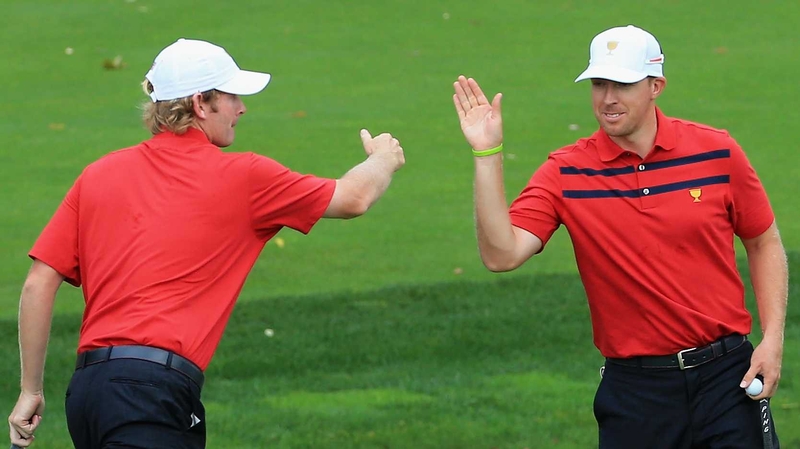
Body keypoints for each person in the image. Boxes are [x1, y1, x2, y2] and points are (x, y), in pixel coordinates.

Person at [8, 37, 405, 448]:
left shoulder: (98, 174)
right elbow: (354, 198)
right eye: (232, 97)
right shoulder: (245, 177)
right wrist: (383, 159)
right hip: (150, 396)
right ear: (201, 104)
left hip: (89, 394)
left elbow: (39, 282)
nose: (242, 108)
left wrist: (30, 391)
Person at [452, 25, 787, 448]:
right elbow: (502, 254)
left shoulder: (716, 152)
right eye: (598, 83)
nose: (608, 97)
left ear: (655, 86)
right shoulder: (566, 172)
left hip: (727, 378)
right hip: (635, 393)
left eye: (623, 84)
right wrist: (486, 154)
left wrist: (773, 339)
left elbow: (763, 241)